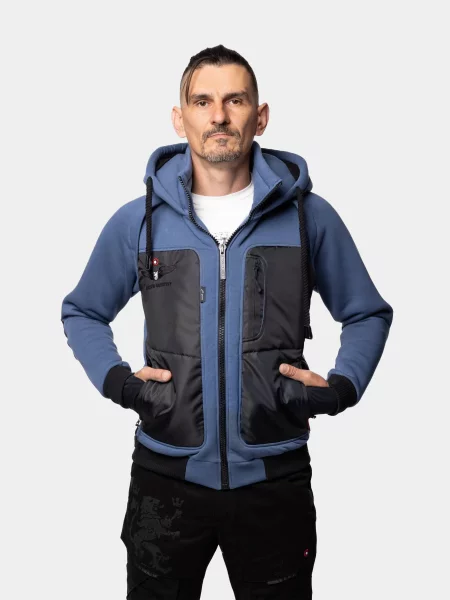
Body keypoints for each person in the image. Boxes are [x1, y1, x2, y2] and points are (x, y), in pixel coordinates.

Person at [60, 44, 394, 599]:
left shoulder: (309, 218)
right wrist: (119, 382)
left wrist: (342, 386)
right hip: (165, 480)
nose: (219, 115)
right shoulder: (138, 222)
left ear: (260, 117)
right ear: (180, 118)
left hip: (274, 480)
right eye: (203, 102)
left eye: (235, 100)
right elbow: (83, 310)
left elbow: (367, 313)